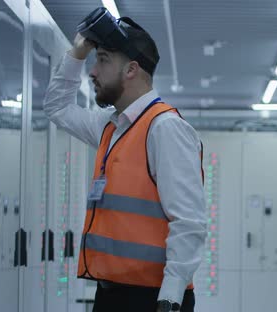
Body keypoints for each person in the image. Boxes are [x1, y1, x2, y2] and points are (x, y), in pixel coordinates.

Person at [43, 12, 206, 312]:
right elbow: (57, 107)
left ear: (131, 69)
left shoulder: (164, 128)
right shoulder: (112, 126)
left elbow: (189, 222)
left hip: (153, 299)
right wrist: (78, 52)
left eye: (102, 60)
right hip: (111, 295)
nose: (92, 71)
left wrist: (170, 299)